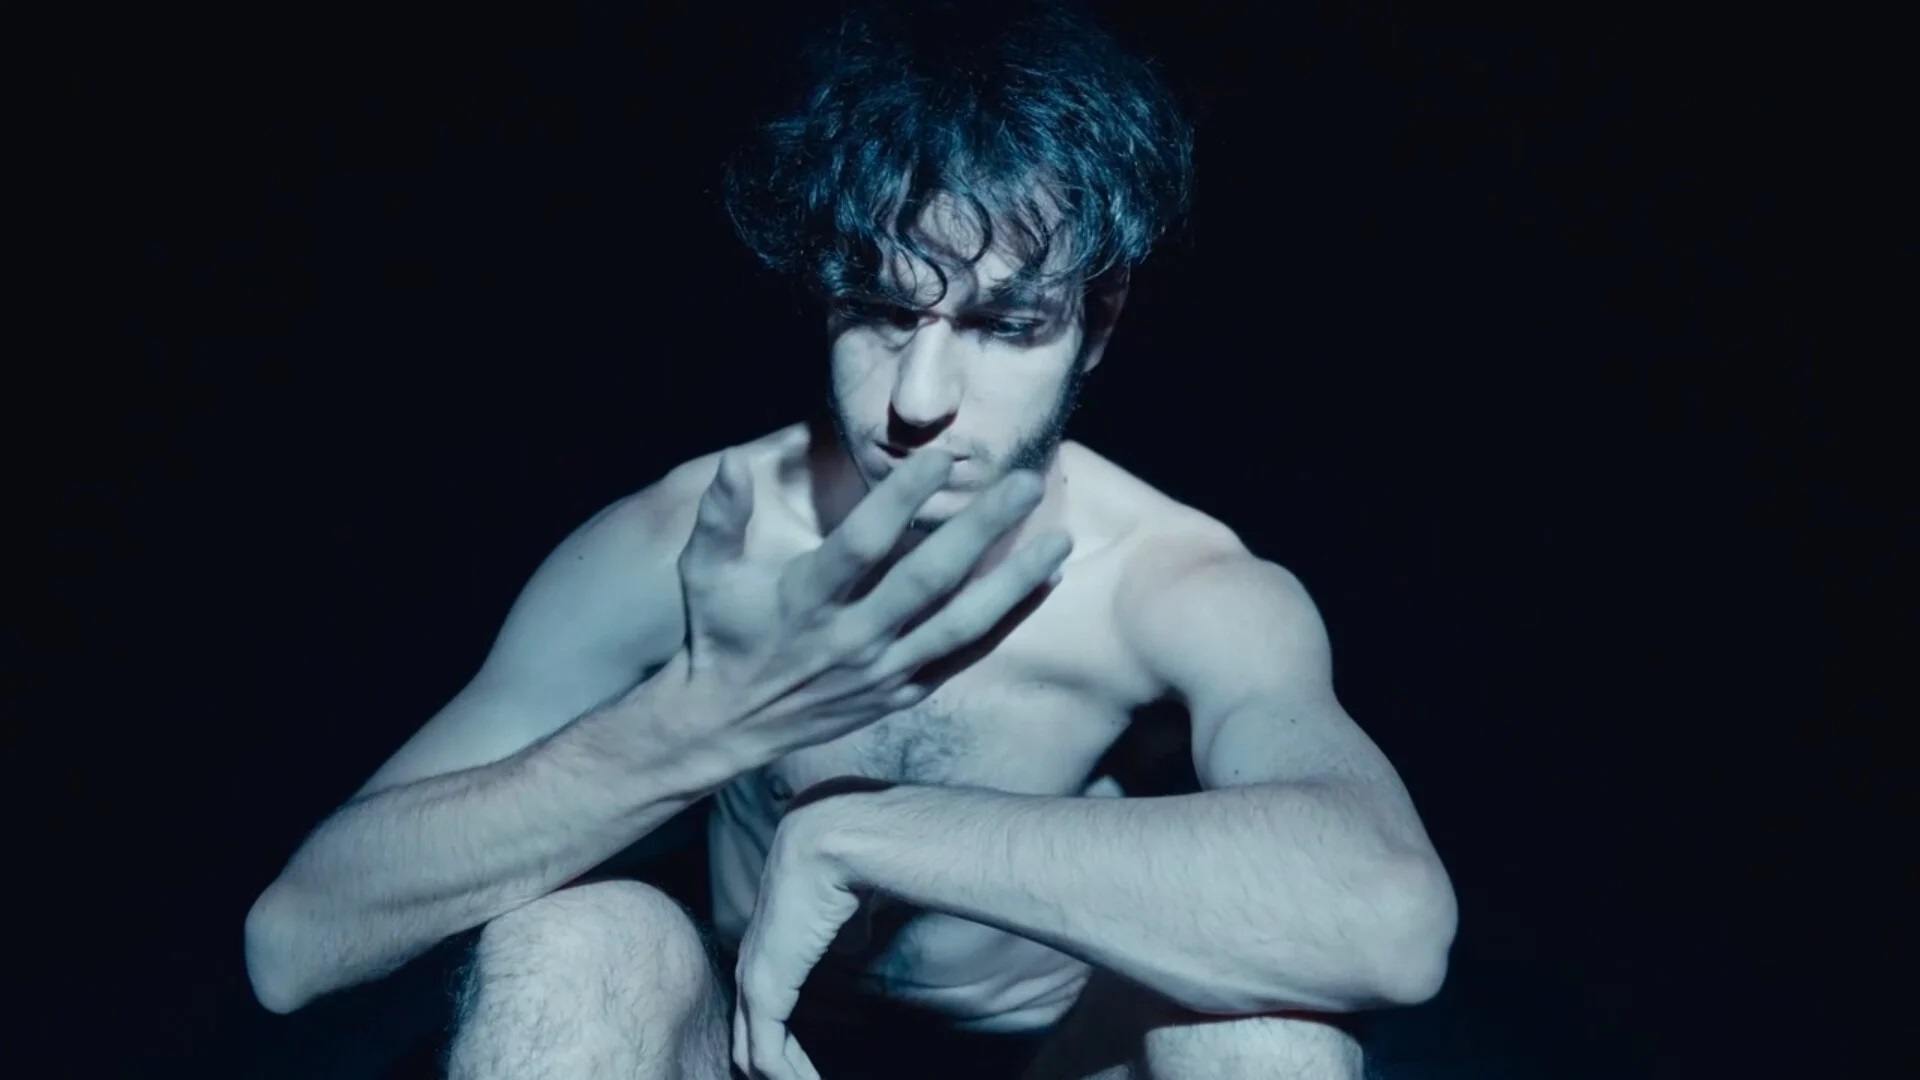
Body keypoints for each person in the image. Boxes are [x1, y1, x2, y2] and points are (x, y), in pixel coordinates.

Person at [243, 2, 1457, 1077]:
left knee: (1268, 1026)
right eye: (878, 310)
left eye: (1004, 326)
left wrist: (865, 831)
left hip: (1049, 1065)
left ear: (1096, 325)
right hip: (744, 1052)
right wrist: (695, 725)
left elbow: (1392, 921)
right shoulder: (689, 544)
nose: (917, 399)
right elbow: (294, 943)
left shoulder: (1172, 585)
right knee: (580, 947)